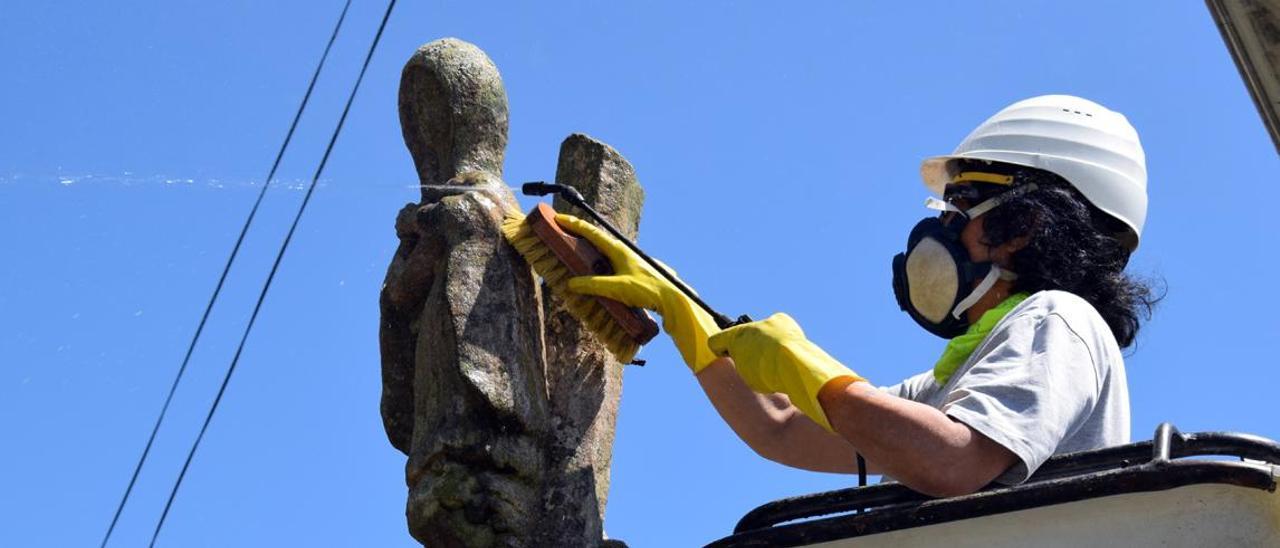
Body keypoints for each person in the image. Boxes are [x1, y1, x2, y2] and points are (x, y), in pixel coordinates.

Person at [554, 95, 1158, 497]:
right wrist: (684, 312)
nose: (940, 226)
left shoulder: (1059, 318)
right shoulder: (952, 385)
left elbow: (953, 461)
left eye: (961, 203)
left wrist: (813, 372)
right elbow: (782, 430)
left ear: (1024, 225)